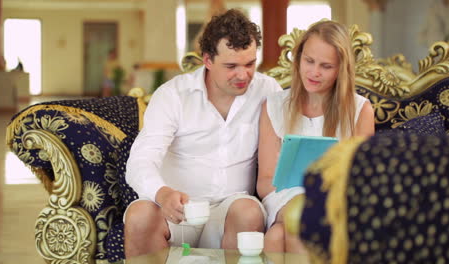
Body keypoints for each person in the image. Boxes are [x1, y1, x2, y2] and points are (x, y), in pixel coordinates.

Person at [124, 9, 282, 258]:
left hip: (232, 205)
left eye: (250, 64)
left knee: (248, 212)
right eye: (231, 66)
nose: (243, 75)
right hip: (177, 209)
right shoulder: (172, 95)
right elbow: (140, 162)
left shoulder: (267, 90)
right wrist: (163, 194)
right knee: (139, 216)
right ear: (207, 60)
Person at [257, 20, 375, 253]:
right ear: (298, 57)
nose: (314, 72)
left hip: (335, 202)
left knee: (276, 236)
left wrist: (318, 200)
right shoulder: (274, 105)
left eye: (326, 66)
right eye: (309, 61)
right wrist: (300, 201)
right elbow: (264, 182)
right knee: (297, 219)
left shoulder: (360, 110)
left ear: (341, 68)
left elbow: (362, 180)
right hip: (282, 198)